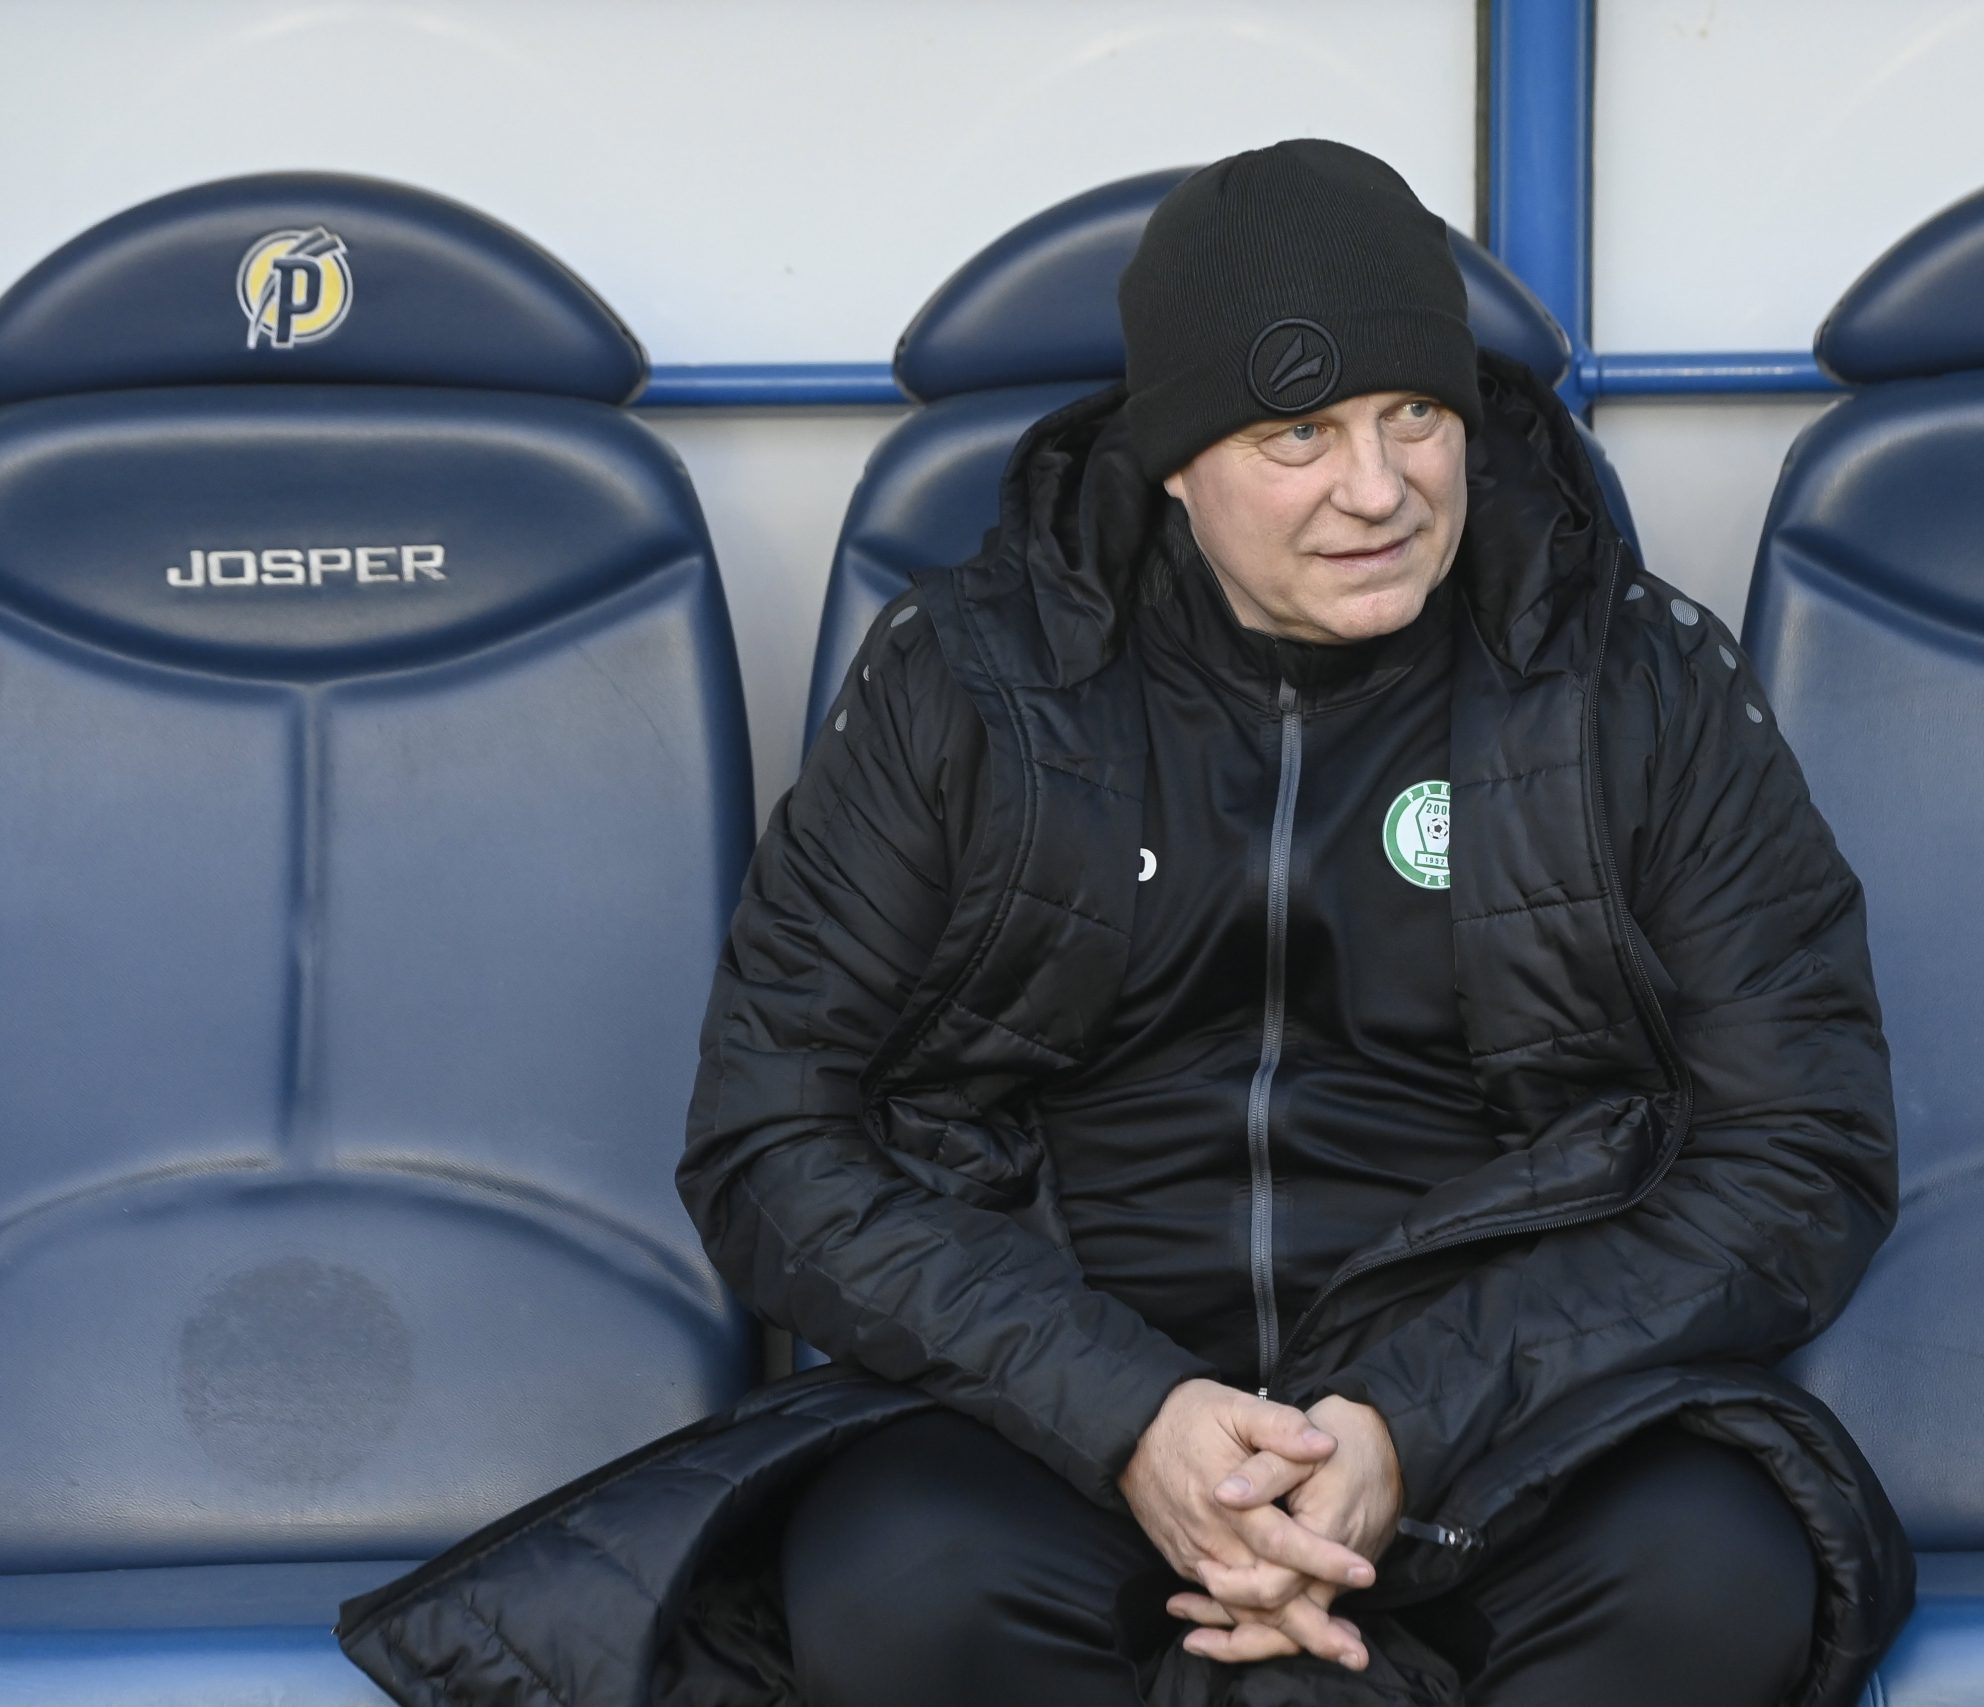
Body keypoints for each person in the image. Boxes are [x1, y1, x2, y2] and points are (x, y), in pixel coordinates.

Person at [669, 138, 1906, 1707]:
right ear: (1174, 462)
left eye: (1416, 416)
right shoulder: (969, 685)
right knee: (898, 1589)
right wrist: (1130, 1415)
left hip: (1505, 1415)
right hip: (1056, 1413)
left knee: (1713, 1579)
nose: (1378, 490)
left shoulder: (1633, 685)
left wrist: (1407, 1419)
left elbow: (1800, 1146)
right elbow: (771, 1136)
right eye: (1298, 434)